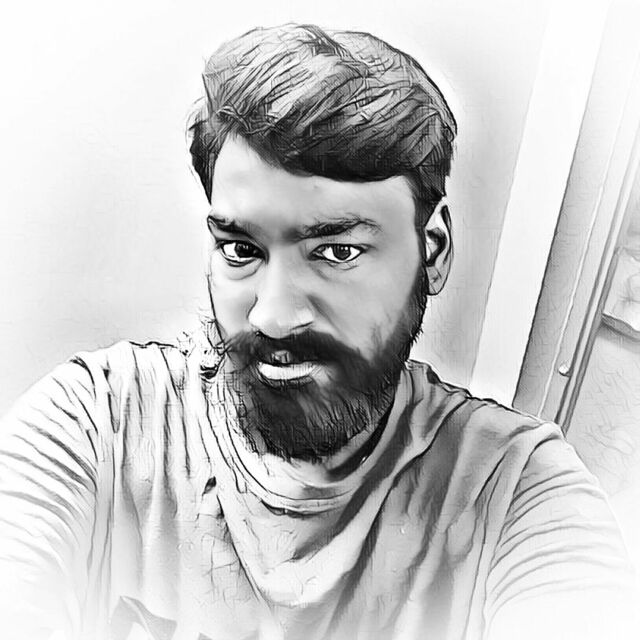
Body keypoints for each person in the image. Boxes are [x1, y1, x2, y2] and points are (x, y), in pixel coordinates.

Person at [0, 23, 635, 640]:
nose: (272, 316)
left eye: (336, 252)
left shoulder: (514, 490)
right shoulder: (101, 421)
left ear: (434, 250)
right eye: (241, 250)